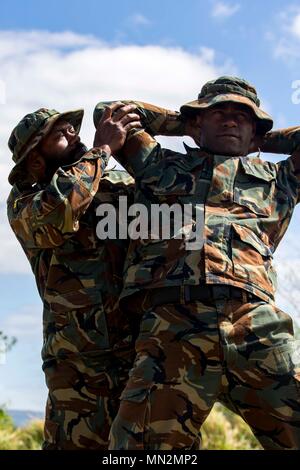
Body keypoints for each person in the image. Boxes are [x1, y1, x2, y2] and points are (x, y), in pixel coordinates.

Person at [94, 76, 300, 450]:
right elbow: (112, 113)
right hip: (171, 325)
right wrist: (184, 121)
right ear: (196, 122)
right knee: (137, 450)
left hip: (254, 321)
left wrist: (261, 138)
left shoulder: (280, 179)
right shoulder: (156, 164)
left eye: (242, 115)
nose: (230, 120)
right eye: (218, 112)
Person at [6, 104, 141, 449]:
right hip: (79, 366)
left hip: (138, 355)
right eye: (57, 134)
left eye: (69, 127)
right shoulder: (25, 201)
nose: (71, 133)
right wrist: (102, 151)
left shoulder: (114, 182)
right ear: (35, 161)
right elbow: (59, 211)